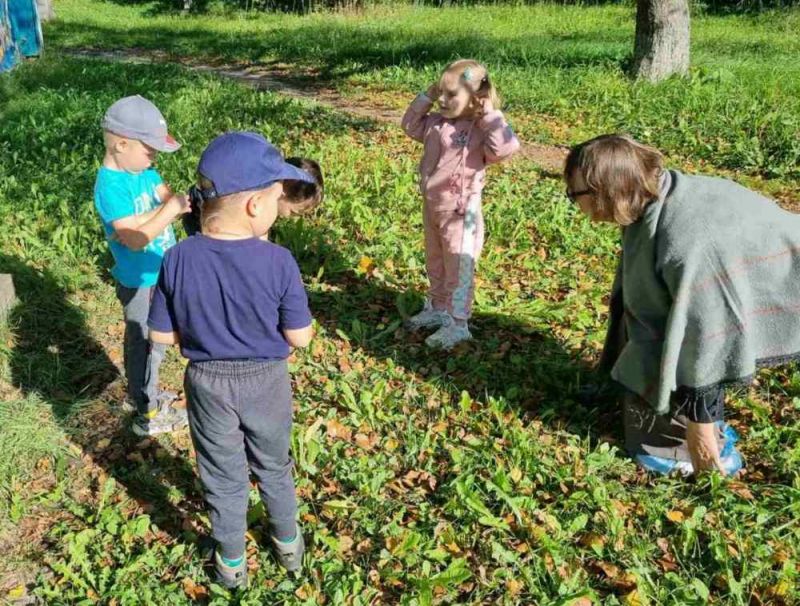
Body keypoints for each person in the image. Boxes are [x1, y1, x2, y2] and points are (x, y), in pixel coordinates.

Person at [564, 134, 800, 476]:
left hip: (784, 271)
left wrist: (701, 438)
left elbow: (711, 341)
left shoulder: (688, 244)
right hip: (735, 250)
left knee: (660, 437)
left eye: (576, 195)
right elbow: (641, 299)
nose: (574, 202)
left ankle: (707, 441)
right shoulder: (650, 197)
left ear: (609, 190)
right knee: (646, 408)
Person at [148, 132, 315, 589]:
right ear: (253, 206)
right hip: (266, 381)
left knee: (222, 475)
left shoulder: (176, 258)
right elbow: (299, 338)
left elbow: (161, 333)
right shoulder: (279, 262)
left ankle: (231, 563)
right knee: (274, 467)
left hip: (206, 382)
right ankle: (288, 547)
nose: (279, 208)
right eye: (277, 198)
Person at [401, 59, 520, 350]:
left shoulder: (480, 128)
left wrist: (490, 114)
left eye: (451, 94)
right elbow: (409, 124)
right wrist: (426, 96)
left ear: (477, 98)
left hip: (461, 212)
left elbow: (506, 149)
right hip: (432, 206)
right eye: (440, 91)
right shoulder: (436, 123)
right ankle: (438, 307)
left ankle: (458, 323)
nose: (442, 99)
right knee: (436, 259)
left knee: (458, 263)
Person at [93, 95, 191, 437]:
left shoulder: (146, 172)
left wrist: (148, 219)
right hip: (138, 281)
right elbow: (135, 239)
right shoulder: (109, 187)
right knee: (144, 342)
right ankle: (144, 413)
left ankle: (142, 393)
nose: (154, 157)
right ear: (121, 144)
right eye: (150, 150)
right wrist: (163, 215)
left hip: (161, 271)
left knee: (158, 343)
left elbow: (168, 200)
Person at [182, 156, 324, 236]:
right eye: (293, 212)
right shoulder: (256, 200)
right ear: (282, 193)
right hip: (204, 215)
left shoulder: (263, 182)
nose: (290, 217)